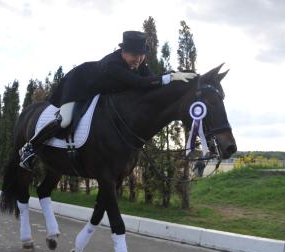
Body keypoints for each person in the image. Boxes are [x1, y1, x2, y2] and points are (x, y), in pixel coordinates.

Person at [19, 31, 197, 171]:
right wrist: (169, 78)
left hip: (99, 88)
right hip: (78, 85)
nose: (139, 60)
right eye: (135, 55)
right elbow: (139, 83)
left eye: (142, 55)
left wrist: (174, 79)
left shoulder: (139, 62)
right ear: (123, 52)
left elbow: (151, 84)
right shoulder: (112, 65)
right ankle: (30, 147)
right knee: (65, 119)